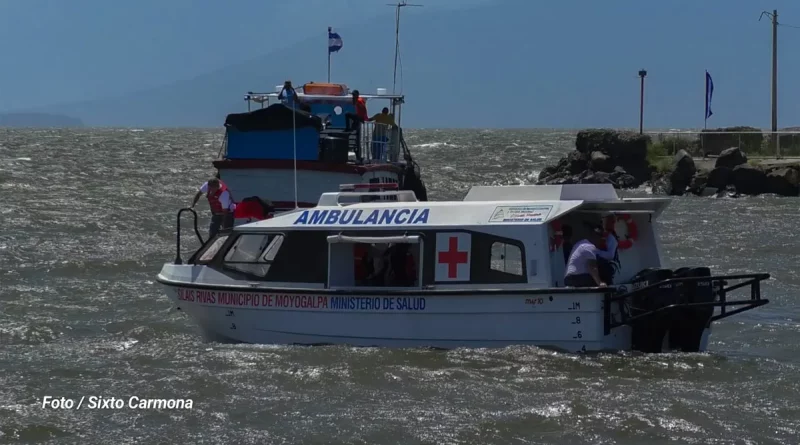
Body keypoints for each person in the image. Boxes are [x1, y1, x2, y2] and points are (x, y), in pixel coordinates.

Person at [563, 223, 618, 287]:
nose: (600, 239)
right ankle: (608, 293)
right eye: (599, 236)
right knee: (604, 276)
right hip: (574, 278)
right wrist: (600, 283)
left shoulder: (581, 243)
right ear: (594, 236)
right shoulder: (589, 246)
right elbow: (592, 267)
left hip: (569, 278)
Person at [345, 90, 369, 162]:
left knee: (347, 114)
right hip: (359, 117)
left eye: (354, 95)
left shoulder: (359, 101)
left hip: (359, 117)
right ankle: (350, 129)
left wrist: (363, 118)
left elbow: (363, 109)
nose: (353, 96)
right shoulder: (358, 100)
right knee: (354, 127)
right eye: (353, 95)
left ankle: (348, 128)